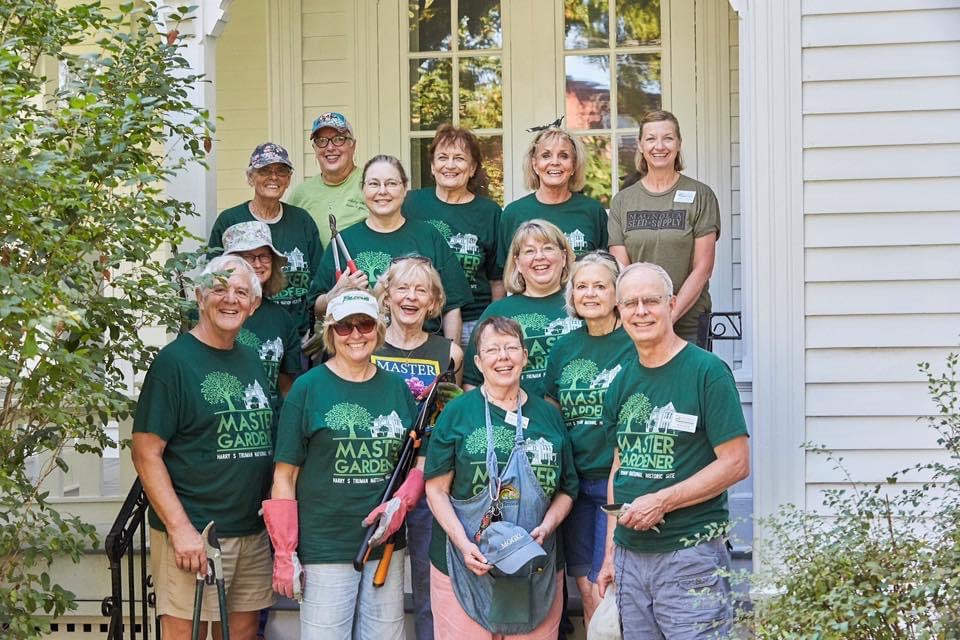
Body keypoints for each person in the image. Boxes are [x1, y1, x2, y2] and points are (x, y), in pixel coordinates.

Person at [596, 262, 750, 639]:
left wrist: (663, 501)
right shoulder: (621, 379)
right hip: (631, 559)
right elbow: (620, 465)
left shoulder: (706, 372)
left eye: (651, 300)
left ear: (672, 304)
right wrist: (611, 553)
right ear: (619, 312)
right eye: (630, 303)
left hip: (690, 554)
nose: (641, 311)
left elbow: (736, 463)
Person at [132, 256, 275, 640]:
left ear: (254, 304)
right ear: (199, 296)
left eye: (241, 292)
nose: (230, 299)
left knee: (242, 632)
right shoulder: (174, 362)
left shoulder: (250, 357)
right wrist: (180, 529)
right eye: (219, 288)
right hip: (198, 532)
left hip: (250, 529)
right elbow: (146, 452)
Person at [266, 289, 419, 640]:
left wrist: (405, 498)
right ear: (330, 333)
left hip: (384, 544)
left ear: (378, 330)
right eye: (344, 327)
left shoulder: (396, 388)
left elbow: (417, 457)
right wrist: (284, 550)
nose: (355, 335)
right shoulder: (307, 388)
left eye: (364, 325)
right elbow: (284, 475)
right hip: (326, 545)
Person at [424, 316, 579, 639]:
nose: (503, 357)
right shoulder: (457, 413)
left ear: (525, 355)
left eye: (511, 348)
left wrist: (547, 527)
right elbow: (436, 490)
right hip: (465, 562)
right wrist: (464, 544)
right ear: (478, 362)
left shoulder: (548, 416)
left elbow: (567, 489)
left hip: (534, 563)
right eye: (492, 350)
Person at [370, 256, 464, 640]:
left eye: (420, 290)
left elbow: (452, 418)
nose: (410, 297)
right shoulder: (363, 343)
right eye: (402, 288)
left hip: (429, 485)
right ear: (387, 296)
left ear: (433, 302)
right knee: (377, 588)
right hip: (377, 481)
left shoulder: (449, 353)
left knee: (430, 588)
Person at [542, 251, 634, 629]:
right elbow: (550, 409)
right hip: (574, 485)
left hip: (618, 481)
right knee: (586, 584)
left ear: (616, 294)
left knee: (604, 586)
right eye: (582, 286)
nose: (590, 294)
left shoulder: (633, 343)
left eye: (600, 286)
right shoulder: (564, 347)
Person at [309, 155, 473, 341]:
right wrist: (334, 294)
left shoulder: (429, 236)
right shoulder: (343, 241)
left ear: (405, 189)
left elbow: (452, 307)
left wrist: (451, 360)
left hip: (422, 354)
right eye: (373, 184)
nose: (382, 191)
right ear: (363, 189)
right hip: (359, 353)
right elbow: (316, 307)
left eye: (391, 183)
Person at [607, 110, 721, 345]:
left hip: (688, 324)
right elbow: (623, 270)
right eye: (651, 139)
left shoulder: (702, 196)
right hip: (639, 324)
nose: (659, 146)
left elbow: (703, 268)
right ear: (640, 145)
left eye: (668, 138)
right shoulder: (623, 201)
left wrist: (669, 316)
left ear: (679, 143)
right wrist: (646, 316)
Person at [403, 124, 504, 346]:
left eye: (459, 158)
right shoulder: (410, 203)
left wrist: (492, 325)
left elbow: (497, 279)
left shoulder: (489, 212)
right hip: (417, 320)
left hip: (473, 322)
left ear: (472, 168)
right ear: (432, 166)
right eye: (442, 157)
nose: (450, 165)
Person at [209, 142, 322, 338]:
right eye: (265, 171)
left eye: (281, 171)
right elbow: (212, 279)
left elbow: (318, 280)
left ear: (288, 179)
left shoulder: (302, 221)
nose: (273, 177)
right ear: (251, 177)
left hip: (298, 336)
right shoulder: (230, 221)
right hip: (242, 336)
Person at [463, 219, 580, 397]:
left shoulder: (581, 303)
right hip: (517, 418)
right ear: (517, 263)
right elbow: (472, 380)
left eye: (548, 248)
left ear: (563, 257)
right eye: (529, 251)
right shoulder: (498, 312)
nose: (539, 257)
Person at [497, 126, 608, 270]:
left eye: (564, 156)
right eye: (546, 155)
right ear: (535, 164)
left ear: (574, 165)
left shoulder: (593, 211)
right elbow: (502, 275)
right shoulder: (514, 213)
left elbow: (605, 269)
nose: (555, 162)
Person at [221, 221, 303, 415]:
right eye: (249, 257)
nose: (257, 264)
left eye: (264, 256)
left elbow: (286, 386)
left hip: (270, 430)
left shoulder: (282, 319)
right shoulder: (209, 313)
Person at [287, 111, 368, 248]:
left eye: (338, 139)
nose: (330, 148)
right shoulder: (300, 194)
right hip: (316, 269)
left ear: (352, 145)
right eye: (321, 141)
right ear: (314, 148)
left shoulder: (372, 184)